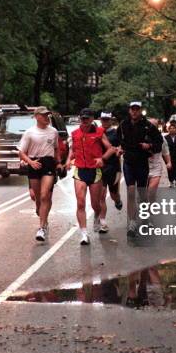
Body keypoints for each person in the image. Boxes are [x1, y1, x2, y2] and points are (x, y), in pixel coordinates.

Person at [66, 108, 115, 245]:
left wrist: (102, 159)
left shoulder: (99, 132)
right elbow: (73, 150)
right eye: (83, 118)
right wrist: (68, 160)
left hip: (95, 171)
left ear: (92, 119)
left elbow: (111, 148)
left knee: (96, 204)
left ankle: (97, 217)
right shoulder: (75, 133)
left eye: (88, 118)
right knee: (80, 202)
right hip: (80, 171)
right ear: (79, 118)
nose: (85, 121)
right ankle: (84, 234)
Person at [117, 101, 163, 237]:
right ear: (129, 110)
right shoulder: (123, 125)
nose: (134, 112)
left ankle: (145, 217)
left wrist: (149, 146)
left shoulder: (148, 126)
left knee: (142, 194)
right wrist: (120, 148)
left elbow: (158, 142)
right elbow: (118, 141)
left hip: (142, 163)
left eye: (137, 109)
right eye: (132, 109)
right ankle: (132, 222)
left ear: (140, 110)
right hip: (129, 162)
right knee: (131, 191)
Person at [18, 106, 62, 242]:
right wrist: (31, 162)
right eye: (43, 115)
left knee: (45, 195)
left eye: (47, 115)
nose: (46, 117)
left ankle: (42, 227)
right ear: (36, 116)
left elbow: (56, 148)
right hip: (34, 163)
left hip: (48, 163)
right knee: (38, 198)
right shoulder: (29, 133)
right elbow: (21, 152)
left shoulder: (53, 131)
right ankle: (39, 210)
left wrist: (59, 162)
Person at [98, 112, 123, 232]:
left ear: (111, 120)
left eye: (107, 119)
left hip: (113, 167)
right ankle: (103, 222)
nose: (105, 122)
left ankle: (117, 200)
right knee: (101, 195)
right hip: (100, 167)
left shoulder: (116, 132)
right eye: (103, 119)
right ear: (100, 119)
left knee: (113, 194)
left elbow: (121, 146)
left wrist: (119, 151)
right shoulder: (97, 132)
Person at [147, 118, 171, 204]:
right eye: (149, 125)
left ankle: (151, 205)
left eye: (154, 126)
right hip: (142, 168)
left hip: (155, 168)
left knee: (151, 191)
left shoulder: (161, 139)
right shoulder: (140, 137)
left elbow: (166, 152)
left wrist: (169, 162)